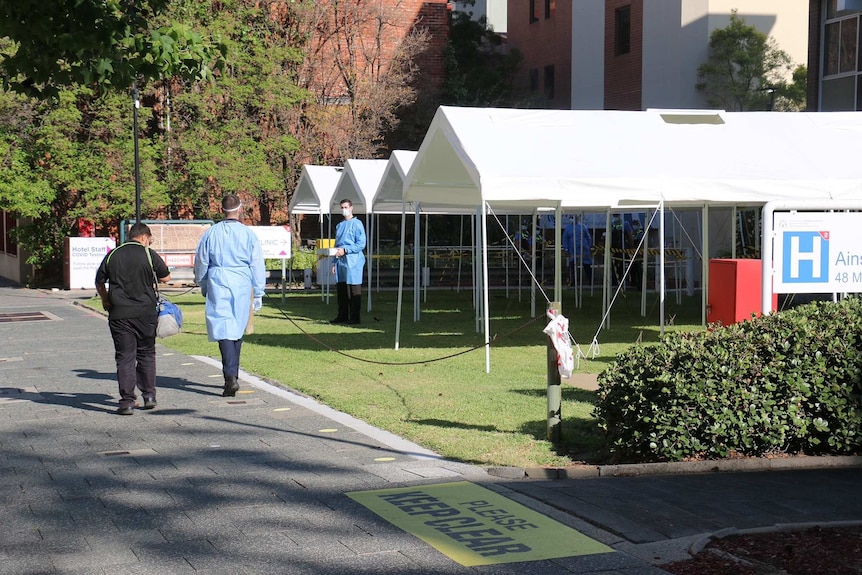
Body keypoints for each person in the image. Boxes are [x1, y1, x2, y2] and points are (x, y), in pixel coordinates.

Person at [95, 222, 171, 415]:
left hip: (119, 313)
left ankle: (127, 402)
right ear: (144, 237)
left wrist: (105, 299)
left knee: (125, 357)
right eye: (150, 240)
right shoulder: (147, 254)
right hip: (145, 312)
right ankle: (149, 396)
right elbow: (166, 277)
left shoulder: (113, 254)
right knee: (146, 354)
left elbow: (99, 281)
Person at [194, 194, 265, 397]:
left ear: (221, 210)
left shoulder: (211, 233)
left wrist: (203, 282)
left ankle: (230, 375)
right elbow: (257, 263)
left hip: (219, 278)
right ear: (240, 209)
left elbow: (201, 261)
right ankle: (232, 372)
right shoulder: (248, 234)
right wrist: (259, 290)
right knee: (237, 325)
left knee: (223, 325)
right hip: (241, 279)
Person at [330, 198, 367, 325]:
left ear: (351, 208)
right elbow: (336, 244)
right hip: (341, 262)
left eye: (346, 207)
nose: (344, 210)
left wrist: (346, 250)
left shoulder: (357, 224)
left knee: (353, 290)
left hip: (353, 261)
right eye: (342, 208)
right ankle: (342, 315)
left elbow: (361, 244)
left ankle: (355, 317)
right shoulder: (340, 226)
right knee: (341, 290)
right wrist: (334, 262)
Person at [562, 216, 593, 286]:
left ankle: (591, 280)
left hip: (583, 248)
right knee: (573, 266)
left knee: (587, 265)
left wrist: (589, 246)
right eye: (571, 217)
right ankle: (573, 281)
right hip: (572, 249)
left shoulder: (583, 227)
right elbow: (565, 239)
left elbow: (588, 237)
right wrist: (566, 249)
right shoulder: (568, 228)